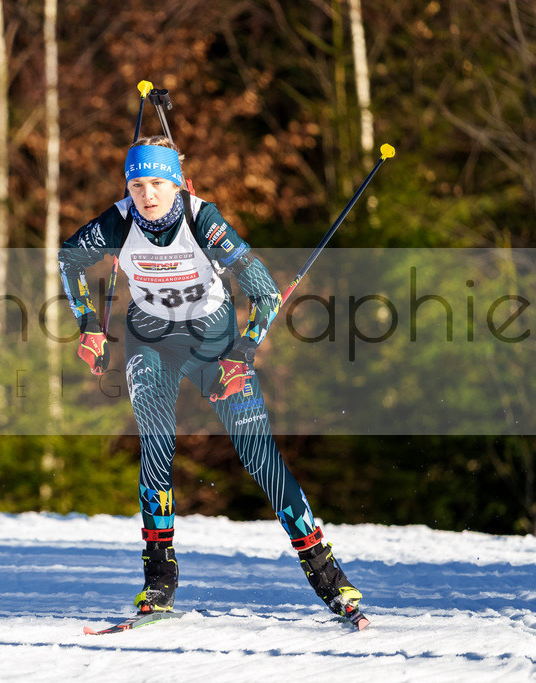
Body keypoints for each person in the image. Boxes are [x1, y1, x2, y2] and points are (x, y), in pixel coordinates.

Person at [57, 136, 364, 622]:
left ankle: (326, 573)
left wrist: (241, 354)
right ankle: (158, 581)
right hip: (150, 340)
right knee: (156, 444)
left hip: (215, 342)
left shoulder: (204, 220)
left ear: (176, 183)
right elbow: (68, 257)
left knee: (257, 452)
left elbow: (264, 293)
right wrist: (89, 324)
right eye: (137, 185)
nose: (147, 195)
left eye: (158, 183)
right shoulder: (117, 221)